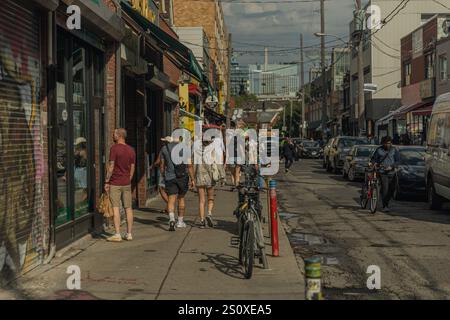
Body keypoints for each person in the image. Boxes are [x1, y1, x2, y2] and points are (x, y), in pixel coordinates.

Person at [104, 128, 136, 242]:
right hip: (126, 183)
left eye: (114, 134)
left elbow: (111, 166)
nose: (113, 136)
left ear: (119, 136)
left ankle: (117, 234)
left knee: (116, 207)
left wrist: (107, 181)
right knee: (128, 208)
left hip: (115, 183)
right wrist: (128, 179)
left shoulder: (114, 149)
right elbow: (132, 167)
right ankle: (129, 233)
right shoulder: (131, 150)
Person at [160, 136, 195, 231]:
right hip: (182, 177)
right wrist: (192, 179)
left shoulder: (164, 148)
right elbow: (189, 165)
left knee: (171, 199)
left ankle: (171, 219)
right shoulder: (185, 149)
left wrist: (164, 176)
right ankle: (180, 221)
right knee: (181, 198)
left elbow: (162, 165)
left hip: (170, 177)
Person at [369, 136, 400, 212]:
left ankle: (386, 201)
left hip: (392, 172)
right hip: (382, 172)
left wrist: (392, 166)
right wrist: (373, 163)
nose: (388, 145)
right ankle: (385, 205)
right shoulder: (379, 150)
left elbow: (398, 161)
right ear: (383, 143)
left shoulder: (394, 150)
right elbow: (374, 159)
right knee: (385, 189)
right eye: (386, 143)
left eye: (389, 143)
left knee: (392, 189)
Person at [194, 137, 219, 228]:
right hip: (210, 177)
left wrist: (192, 178)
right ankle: (209, 213)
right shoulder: (212, 151)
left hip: (199, 177)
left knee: (201, 200)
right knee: (210, 198)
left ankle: (202, 220)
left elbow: (194, 166)